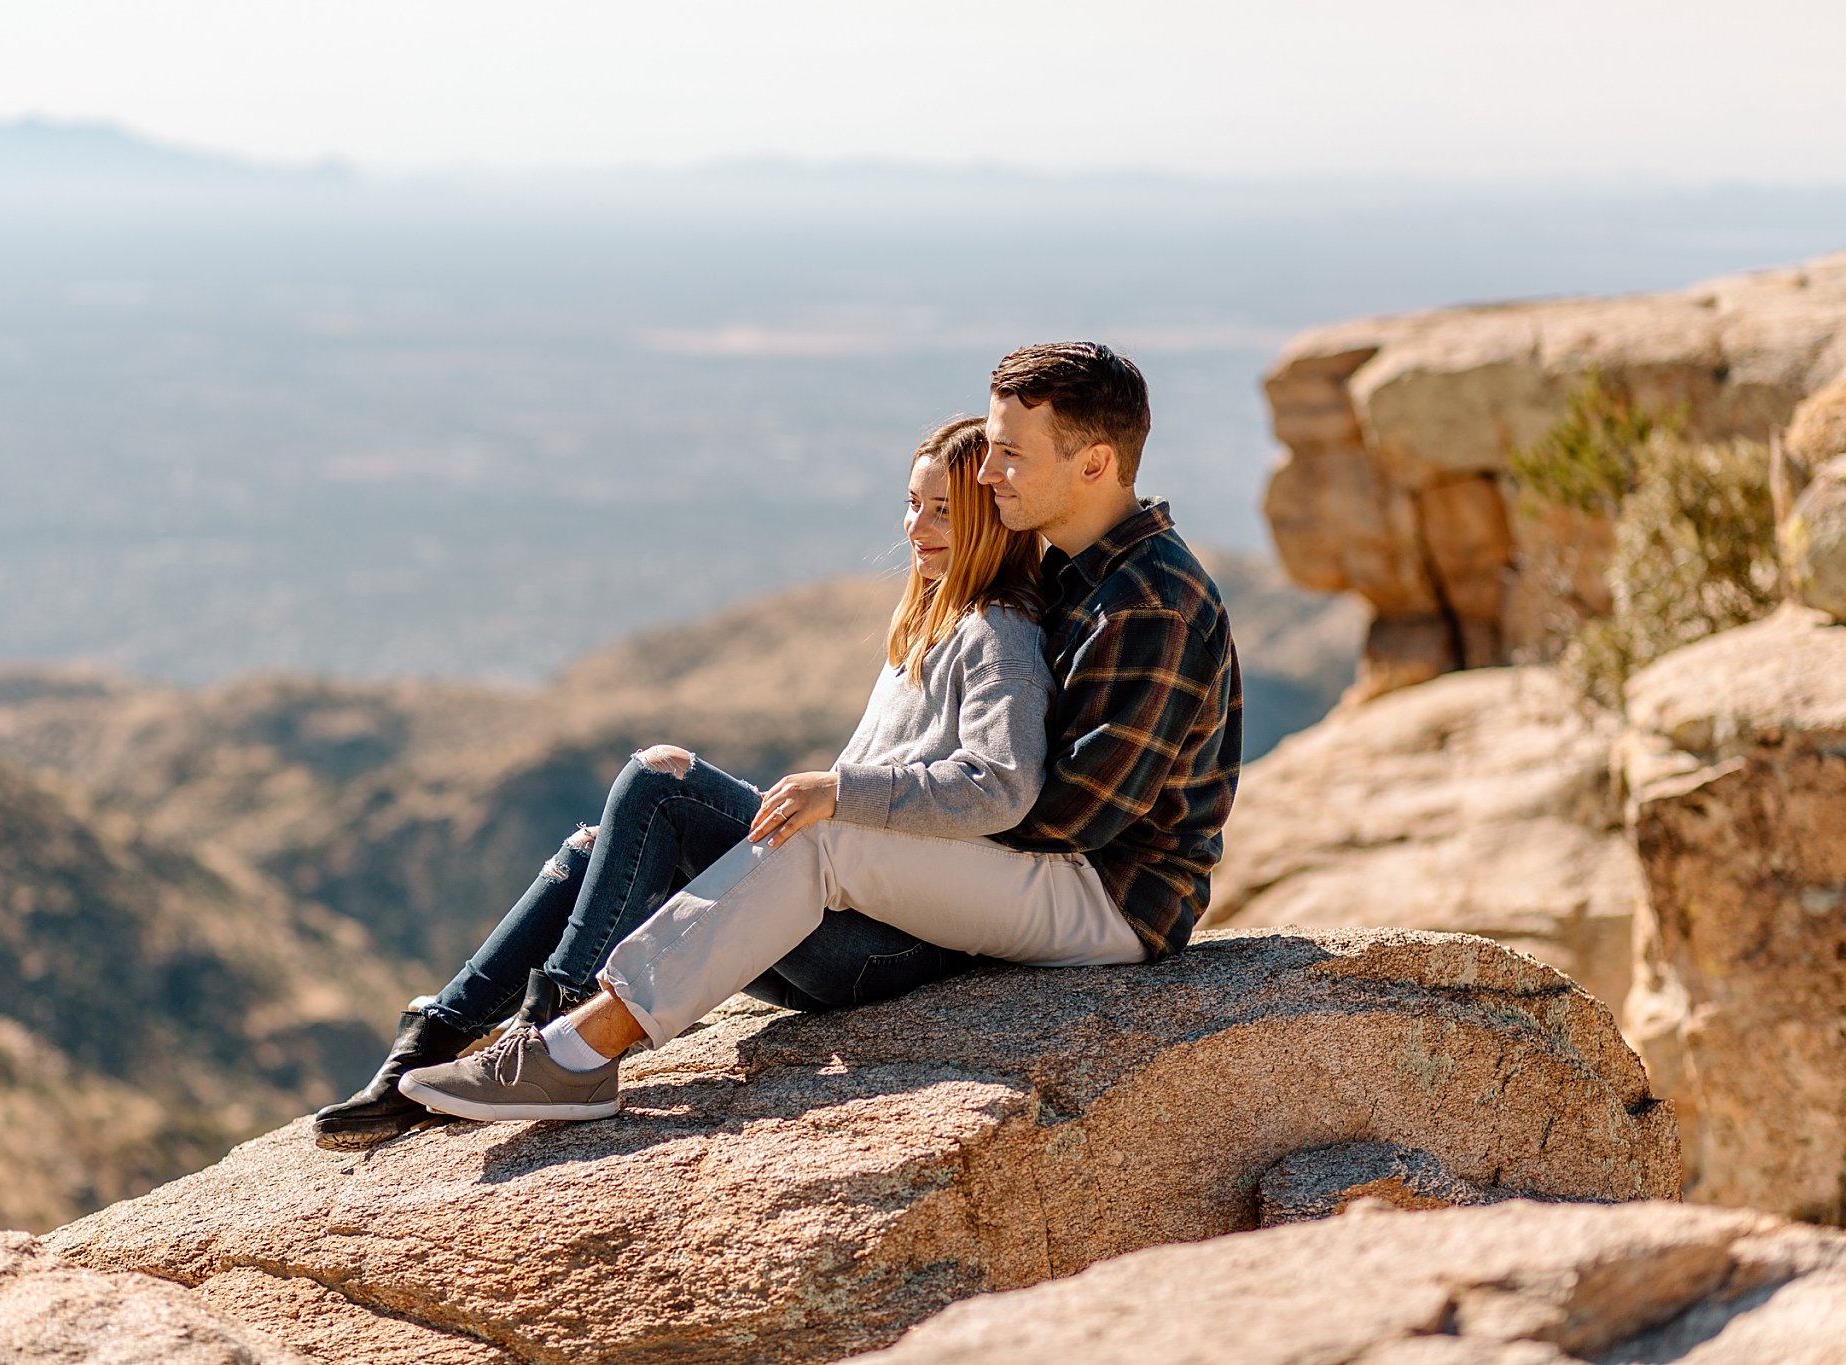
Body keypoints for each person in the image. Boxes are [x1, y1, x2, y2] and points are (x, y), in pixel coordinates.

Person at [396, 342, 1243, 1123]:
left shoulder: (1147, 602)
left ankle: (575, 1053)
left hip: (1107, 895)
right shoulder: (1070, 567)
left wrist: (858, 803)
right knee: (677, 834)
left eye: (1011, 453)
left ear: (1094, 462)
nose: (989, 473)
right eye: (990, 445)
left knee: (820, 837)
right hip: (1044, 864)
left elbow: (1068, 816)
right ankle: (448, 1041)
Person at [314, 413, 1055, 1142]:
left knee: (660, 779)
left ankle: (550, 1044)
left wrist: (837, 794)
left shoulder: (1000, 633)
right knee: (595, 848)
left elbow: (1000, 783)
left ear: (997, 518)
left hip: (884, 948)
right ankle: (432, 1040)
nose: (914, 525)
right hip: (826, 927)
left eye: (943, 511)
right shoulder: (935, 617)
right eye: (912, 502)